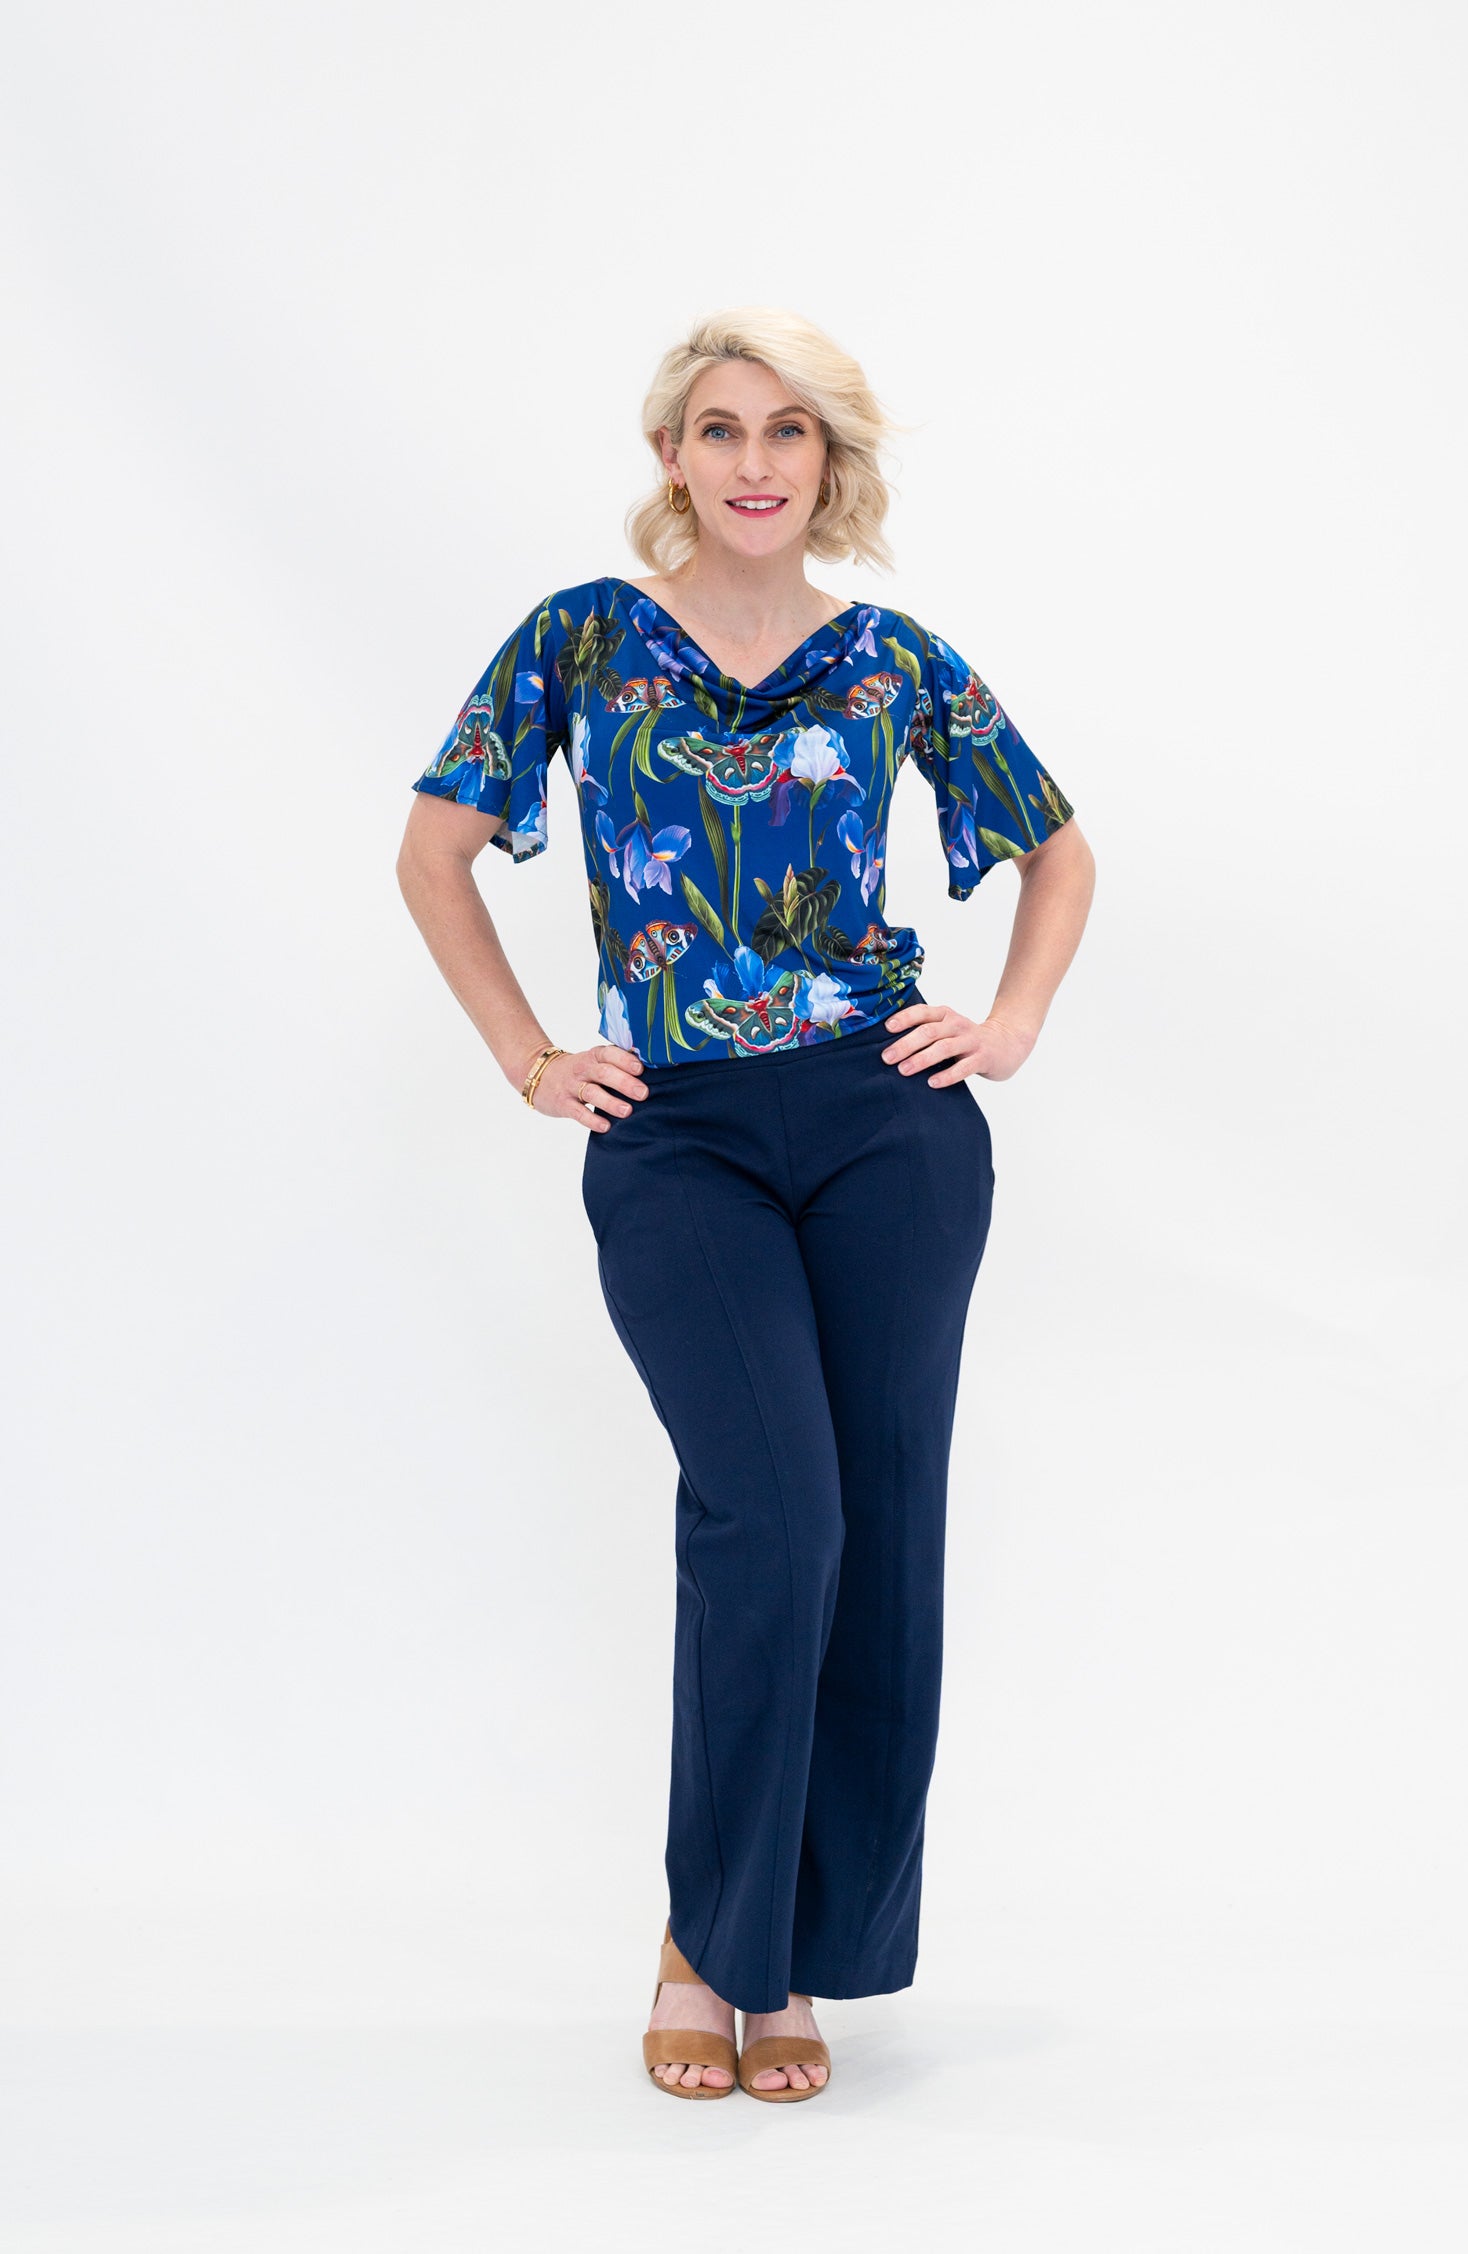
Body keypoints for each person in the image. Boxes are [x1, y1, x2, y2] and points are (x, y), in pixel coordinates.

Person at [395, 307, 1096, 2104]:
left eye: (789, 430)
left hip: (887, 1126)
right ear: (673, 457)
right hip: (679, 1132)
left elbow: (1059, 846)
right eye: (721, 428)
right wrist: (530, 1056)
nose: (756, 461)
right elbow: (434, 850)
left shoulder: (891, 660)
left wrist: (1007, 1025)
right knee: (772, 1517)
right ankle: (708, 1943)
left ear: (828, 459)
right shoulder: (581, 639)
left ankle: (793, 1962)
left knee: (882, 1531)